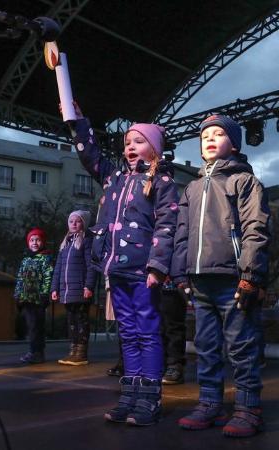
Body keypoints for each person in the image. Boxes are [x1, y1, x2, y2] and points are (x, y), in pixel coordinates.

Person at [66, 102, 178, 426]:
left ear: (154, 149)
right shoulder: (115, 178)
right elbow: (91, 157)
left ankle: (150, 397)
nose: (130, 147)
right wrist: (79, 123)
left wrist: (158, 265)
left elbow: (167, 224)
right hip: (116, 270)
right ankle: (129, 393)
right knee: (127, 334)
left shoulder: (162, 182)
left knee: (148, 331)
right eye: (128, 142)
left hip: (144, 272)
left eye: (138, 141)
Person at [171, 114, 271, 438]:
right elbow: (181, 233)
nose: (210, 139)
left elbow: (257, 228)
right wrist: (180, 273)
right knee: (206, 345)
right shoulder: (192, 187)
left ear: (235, 143)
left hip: (233, 280)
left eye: (218, 134)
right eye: (205, 136)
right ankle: (210, 402)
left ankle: (247, 406)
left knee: (242, 346)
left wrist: (251, 274)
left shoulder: (244, 181)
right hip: (200, 282)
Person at [52, 210, 97, 366]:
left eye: (77, 221)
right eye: (71, 221)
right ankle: (73, 350)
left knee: (81, 320)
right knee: (71, 320)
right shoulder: (65, 243)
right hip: (66, 290)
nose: (74, 224)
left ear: (83, 223)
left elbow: (91, 266)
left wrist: (88, 286)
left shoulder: (86, 241)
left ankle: (81, 352)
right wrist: (55, 288)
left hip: (80, 289)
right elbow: (58, 267)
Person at [14, 227, 54, 364]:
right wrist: (17, 295)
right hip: (26, 299)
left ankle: (37, 352)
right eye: (32, 240)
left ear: (43, 242)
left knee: (36, 327)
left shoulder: (45, 258)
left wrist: (44, 294)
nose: (35, 243)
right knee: (30, 326)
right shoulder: (26, 259)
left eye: (38, 240)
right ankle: (34, 351)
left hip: (38, 300)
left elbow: (48, 277)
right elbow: (20, 278)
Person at [159, 280, 188, 385]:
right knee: (159, 328)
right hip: (153, 283)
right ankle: (161, 364)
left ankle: (175, 365)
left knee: (173, 326)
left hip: (173, 284)